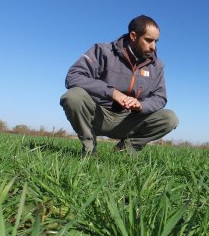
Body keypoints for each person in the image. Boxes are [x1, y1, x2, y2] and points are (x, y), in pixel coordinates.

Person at [60, 15, 178, 155]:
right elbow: (74, 76)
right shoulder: (102, 51)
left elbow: (160, 97)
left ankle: (125, 149)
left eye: (156, 41)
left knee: (170, 119)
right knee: (73, 96)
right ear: (133, 36)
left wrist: (141, 106)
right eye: (149, 40)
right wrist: (113, 93)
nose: (153, 47)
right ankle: (89, 148)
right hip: (99, 115)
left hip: (128, 120)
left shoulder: (157, 66)